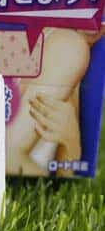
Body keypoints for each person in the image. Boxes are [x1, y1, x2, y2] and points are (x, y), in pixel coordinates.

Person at [6, 25, 105, 176]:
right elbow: (7, 158)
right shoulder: (69, 47)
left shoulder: (71, 50)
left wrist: (71, 144)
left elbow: (64, 177)